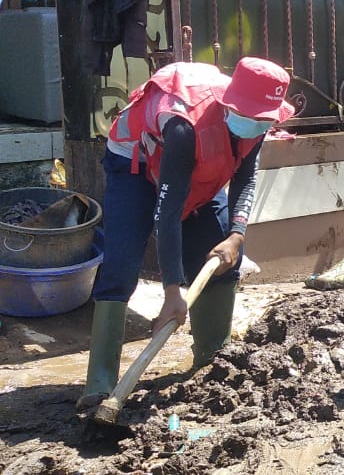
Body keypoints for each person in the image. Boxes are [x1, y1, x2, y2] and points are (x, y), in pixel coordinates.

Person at [80, 57, 294, 411]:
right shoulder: (184, 126)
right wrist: (172, 292)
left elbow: (246, 179)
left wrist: (236, 235)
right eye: (252, 117)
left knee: (223, 257)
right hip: (136, 161)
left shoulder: (255, 125)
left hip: (196, 168)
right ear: (230, 104)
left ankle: (212, 362)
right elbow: (168, 213)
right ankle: (100, 383)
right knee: (121, 262)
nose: (258, 125)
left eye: (264, 120)